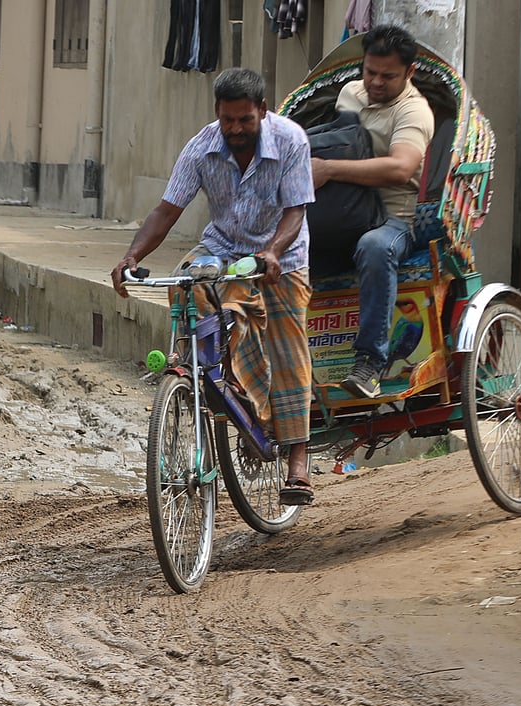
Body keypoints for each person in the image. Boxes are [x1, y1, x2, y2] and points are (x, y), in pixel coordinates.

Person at [110, 67, 317, 505]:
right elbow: (166, 211)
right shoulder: (201, 148)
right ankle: (214, 382)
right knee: (186, 283)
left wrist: (273, 253)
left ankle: (298, 461)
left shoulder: (292, 141)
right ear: (217, 115)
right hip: (221, 248)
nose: (237, 129)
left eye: (245, 120)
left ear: (264, 110)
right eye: (228, 121)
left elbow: (295, 211)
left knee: (287, 344)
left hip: (281, 256)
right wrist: (132, 257)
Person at [310, 23, 434, 399]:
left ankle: (370, 363)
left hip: (392, 220)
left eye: (388, 76)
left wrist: (329, 169)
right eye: (370, 72)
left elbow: (401, 167)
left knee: (374, 246)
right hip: (340, 216)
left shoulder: (414, 112)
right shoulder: (350, 93)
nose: (376, 83)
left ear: (409, 72)